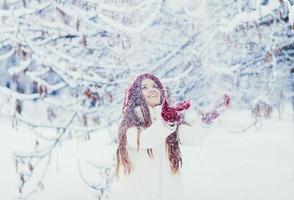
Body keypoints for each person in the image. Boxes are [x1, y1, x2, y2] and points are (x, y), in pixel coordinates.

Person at [115, 73, 226, 200]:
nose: (152, 89)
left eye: (155, 86)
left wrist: (205, 120)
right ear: (135, 96)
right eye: (144, 87)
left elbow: (192, 137)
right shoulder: (130, 126)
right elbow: (146, 140)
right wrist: (166, 122)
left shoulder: (170, 124)